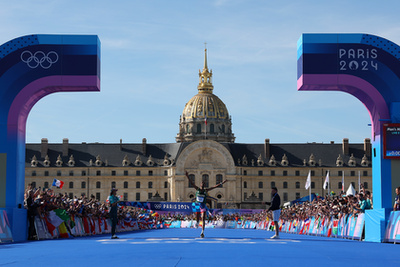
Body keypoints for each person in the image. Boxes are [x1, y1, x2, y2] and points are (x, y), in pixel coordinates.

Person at [185, 171, 227, 238]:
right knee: (198, 216)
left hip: (203, 205)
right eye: (202, 184)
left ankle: (202, 232)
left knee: (203, 218)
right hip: (197, 205)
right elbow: (191, 183)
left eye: (204, 184)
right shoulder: (197, 189)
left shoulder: (205, 190)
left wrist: (222, 183)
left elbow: (214, 187)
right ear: (200, 185)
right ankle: (197, 222)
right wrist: (187, 176)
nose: (203, 184)